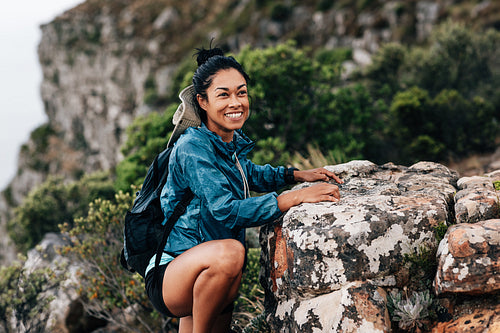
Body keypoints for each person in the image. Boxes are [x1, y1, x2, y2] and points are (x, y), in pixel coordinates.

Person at [144, 46, 343, 333]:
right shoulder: (193, 147)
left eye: (241, 92)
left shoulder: (227, 142)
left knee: (231, 262)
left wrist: (296, 175)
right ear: (202, 101)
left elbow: (247, 173)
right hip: (174, 271)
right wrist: (294, 197)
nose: (235, 102)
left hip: (207, 270)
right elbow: (225, 211)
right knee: (232, 254)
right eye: (223, 95)